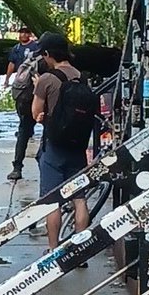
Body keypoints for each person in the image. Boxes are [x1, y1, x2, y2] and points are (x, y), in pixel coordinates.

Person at [32, 31, 94, 250]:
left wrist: (38, 87)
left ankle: (53, 249)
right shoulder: (82, 76)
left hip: (54, 147)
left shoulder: (47, 79)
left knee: (52, 201)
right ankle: (79, 250)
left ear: (48, 54)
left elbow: (35, 113)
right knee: (79, 199)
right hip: (78, 146)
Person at [5, 27, 41, 181]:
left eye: (26, 32)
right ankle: (22, 165)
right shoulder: (18, 49)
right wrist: (7, 79)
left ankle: (17, 167)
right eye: (21, 32)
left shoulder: (33, 52)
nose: (23, 35)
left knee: (23, 132)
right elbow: (12, 64)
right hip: (32, 98)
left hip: (26, 98)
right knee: (27, 130)